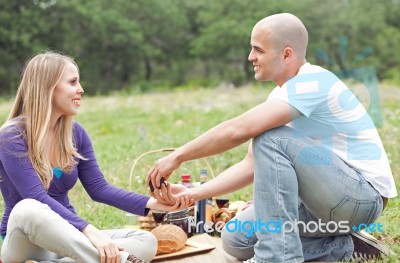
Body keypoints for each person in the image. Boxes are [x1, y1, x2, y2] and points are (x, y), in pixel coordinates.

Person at [147, 13, 397, 263]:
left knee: (270, 138)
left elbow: (238, 130)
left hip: (360, 200)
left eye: (258, 50)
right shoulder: (281, 97)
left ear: (286, 54)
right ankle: (340, 246)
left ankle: (275, 258)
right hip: (322, 206)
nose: (250, 57)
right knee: (236, 237)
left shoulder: (312, 82)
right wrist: (193, 194)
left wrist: (178, 156)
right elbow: (250, 166)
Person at [0, 51, 189, 263]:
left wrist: (158, 203)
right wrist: (90, 231)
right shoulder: (11, 137)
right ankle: (120, 260)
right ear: (48, 87)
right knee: (28, 207)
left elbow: (99, 188)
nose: (81, 89)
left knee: (145, 241)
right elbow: (36, 195)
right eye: (72, 82)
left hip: (68, 240)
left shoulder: (75, 134)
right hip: (25, 242)